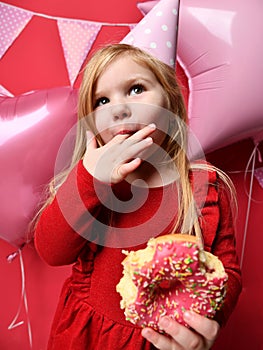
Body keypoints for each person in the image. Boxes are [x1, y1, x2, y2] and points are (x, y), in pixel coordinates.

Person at [34, 43, 242, 350]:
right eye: (102, 101)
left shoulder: (205, 186)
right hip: (87, 338)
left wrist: (207, 320)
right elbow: (52, 251)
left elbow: (227, 272)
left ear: (170, 101)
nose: (119, 108)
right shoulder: (87, 186)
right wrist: (89, 179)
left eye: (135, 89)